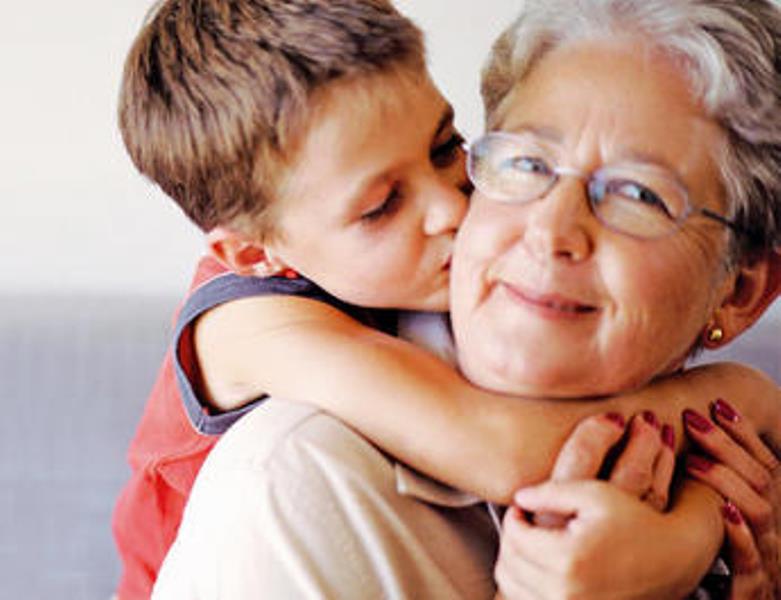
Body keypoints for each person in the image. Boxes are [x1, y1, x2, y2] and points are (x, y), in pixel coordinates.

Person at [112, 4, 774, 596]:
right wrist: (727, 434)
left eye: (444, 149)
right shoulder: (262, 370)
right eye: (380, 206)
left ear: (741, 290)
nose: (453, 209)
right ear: (256, 253)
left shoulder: (404, 278)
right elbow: (502, 451)